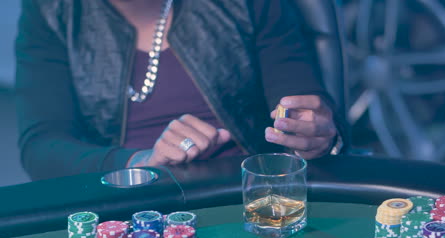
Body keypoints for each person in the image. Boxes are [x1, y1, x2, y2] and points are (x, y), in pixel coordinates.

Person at [15, 0, 348, 180]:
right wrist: (141, 162)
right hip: (129, 204)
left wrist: (313, 136)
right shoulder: (50, 10)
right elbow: (42, 148)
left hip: (246, 194)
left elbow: (302, 100)